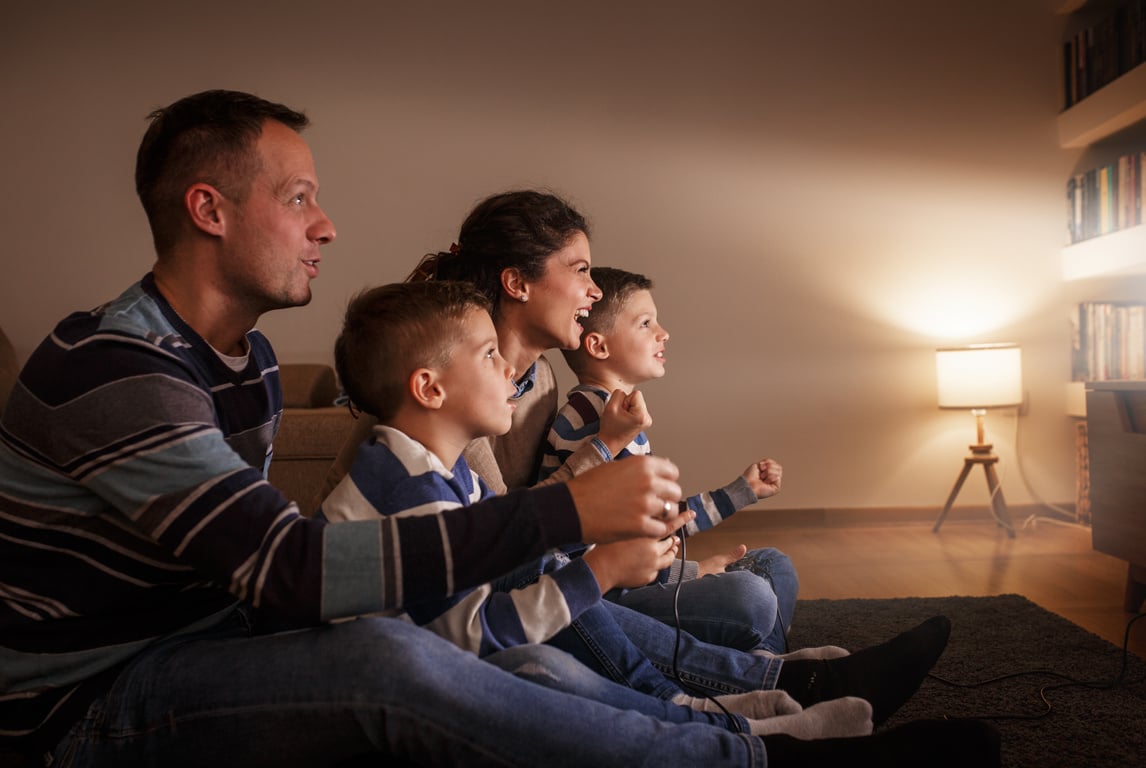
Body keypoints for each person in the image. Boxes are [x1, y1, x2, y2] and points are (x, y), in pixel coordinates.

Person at [0, 88, 1002, 768]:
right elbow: (287, 571)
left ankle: (749, 709)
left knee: (500, 649)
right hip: (93, 708)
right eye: (298, 198)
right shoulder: (114, 366)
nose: (327, 225)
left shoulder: (248, 363)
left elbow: (257, 581)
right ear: (209, 209)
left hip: (206, 652)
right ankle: (753, 751)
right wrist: (570, 512)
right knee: (393, 659)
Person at [321, 191, 925, 711]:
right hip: (501, 593)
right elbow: (511, 544)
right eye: (580, 270)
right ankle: (760, 683)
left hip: (550, 580)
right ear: (518, 282)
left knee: (766, 567)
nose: (591, 288)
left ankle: (766, 677)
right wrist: (609, 487)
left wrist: (674, 555)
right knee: (747, 596)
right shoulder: (454, 405)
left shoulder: (544, 382)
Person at [540, 265, 842, 658]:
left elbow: (658, 524)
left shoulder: (617, 416)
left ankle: (762, 662)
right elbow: (590, 553)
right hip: (612, 600)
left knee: (773, 564)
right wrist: (693, 572)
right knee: (751, 596)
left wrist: (742, 491)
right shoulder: (587, 423)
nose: (663, 333)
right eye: (646, 323)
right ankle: (757, 665)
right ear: (599, 347)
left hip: (647, 579)